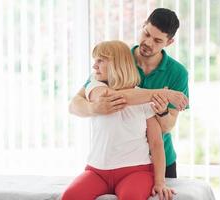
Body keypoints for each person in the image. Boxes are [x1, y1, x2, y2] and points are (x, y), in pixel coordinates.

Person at [69, 8, 189, 178]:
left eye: (157, 40)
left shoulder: (178, 73)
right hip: (118, 163)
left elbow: (168, 126)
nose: (148, 42)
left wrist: (162, 111)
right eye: (146, 34)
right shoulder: (119, 59)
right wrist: (94, 108)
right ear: (143, 26)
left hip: (160, 160)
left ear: (169, 42)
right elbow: (75, 104)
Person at [62, 40, 177, 200]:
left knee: (131, 197)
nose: (94, 66)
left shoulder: (144, 100)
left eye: (100, 61)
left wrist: (160, 182)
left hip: (136, 171)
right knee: (70, 196)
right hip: (97, 171)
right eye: (95, 61)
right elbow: (112, 97)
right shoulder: (94, 88)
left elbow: (157, 144)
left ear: (117, 64)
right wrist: (161, 94)